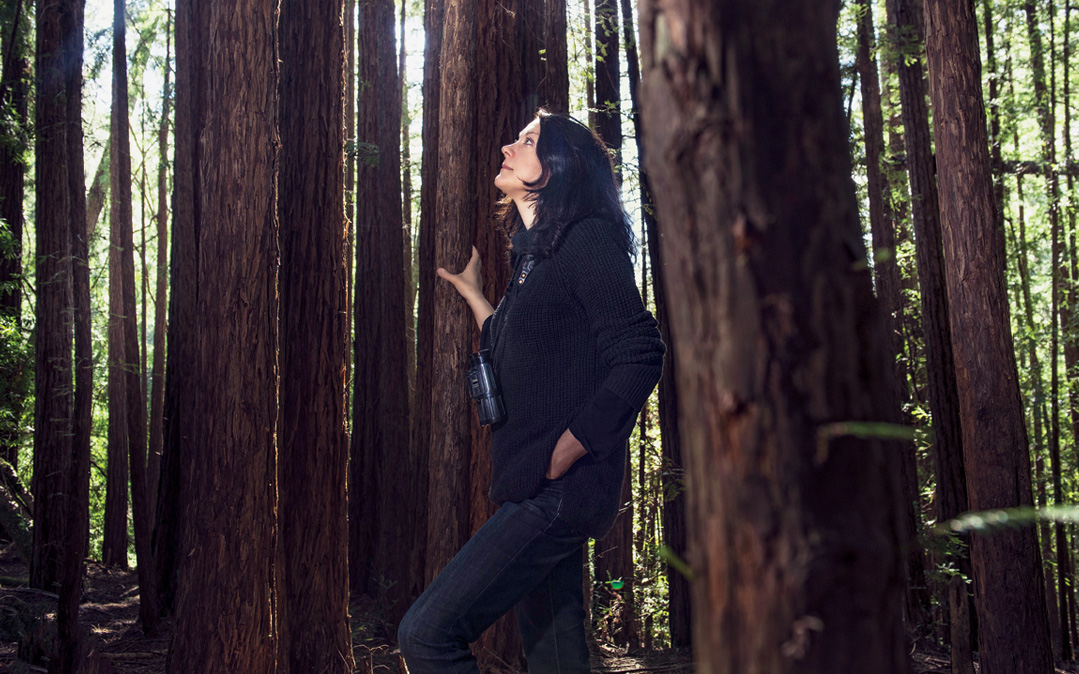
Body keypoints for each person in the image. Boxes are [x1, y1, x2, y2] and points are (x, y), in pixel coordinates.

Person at [397, 110, 665, 674]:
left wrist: (567, 450)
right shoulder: (534, 259)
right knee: (557, 660)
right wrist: (474, 295)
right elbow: (514, 343)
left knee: (427, 635)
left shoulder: (587, 240)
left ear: (560, 165)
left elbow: (640, 354)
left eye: (527, 141)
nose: (507, 146)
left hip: (556, 491)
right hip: (537, 485)